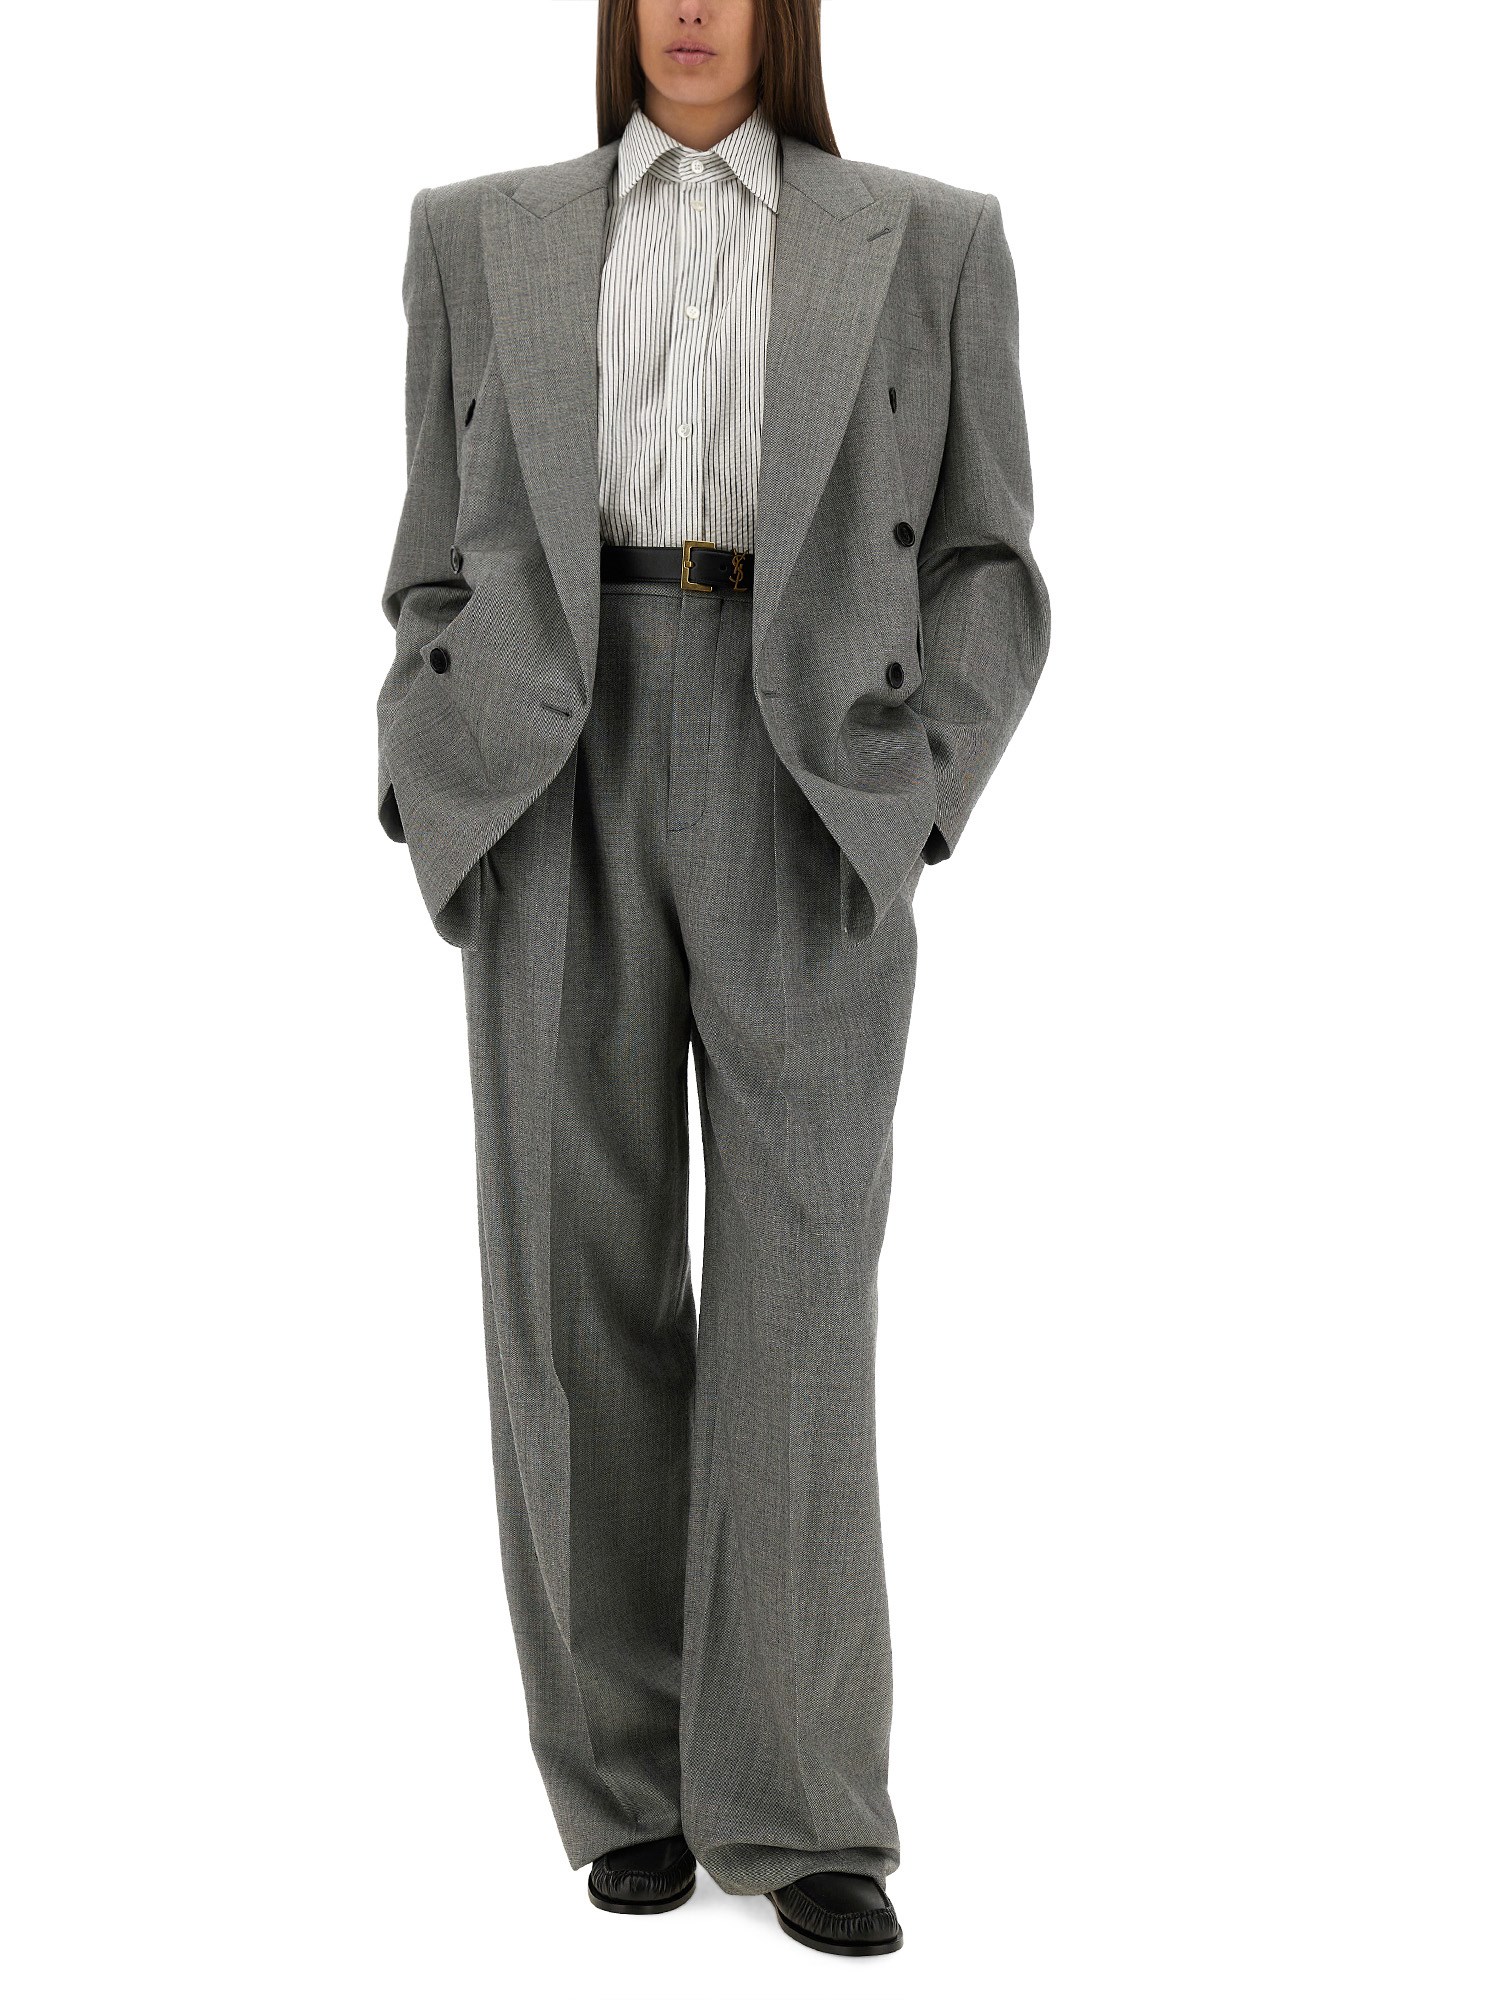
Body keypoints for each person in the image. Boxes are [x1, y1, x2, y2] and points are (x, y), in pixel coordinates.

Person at [376, 0, 1049, 1959]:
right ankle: (630, 1787)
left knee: (801, 1286)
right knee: (569, 1279)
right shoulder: (473, 233)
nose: (689, 9)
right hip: (547, 765)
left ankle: (801, 1798)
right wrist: (422, 760)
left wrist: (919, 790)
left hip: (807, 768)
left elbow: (991, 561)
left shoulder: (926, 239)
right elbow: (428, 552)